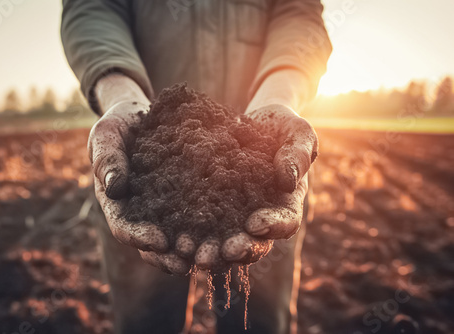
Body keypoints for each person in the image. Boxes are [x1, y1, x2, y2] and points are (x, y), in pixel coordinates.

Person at [61, 1, 331, 333]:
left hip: (268, 173)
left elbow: (299, 12)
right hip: (140, 170)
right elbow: (92, 8)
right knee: (147, 323)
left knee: (257, 324)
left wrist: (280, 94)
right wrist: (120, 94)